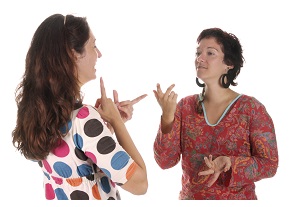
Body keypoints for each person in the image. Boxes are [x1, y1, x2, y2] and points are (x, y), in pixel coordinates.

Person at [12, 13, 148, 200]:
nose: (99, 54)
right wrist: (116, 122)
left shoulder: (38, 114)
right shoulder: (84, 119)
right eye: (93, 45)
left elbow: (77, 160)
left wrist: (104, 127)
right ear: (73, 54)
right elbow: (140, 184)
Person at [153, 27, 279, 200]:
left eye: (210, 53)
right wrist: (167, 118)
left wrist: (230, 163)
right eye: (198, 53)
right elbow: (165, 162)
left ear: (229, 64)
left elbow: (269, 164)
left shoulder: (251, 109)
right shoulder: (185, 106)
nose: (200, 58)